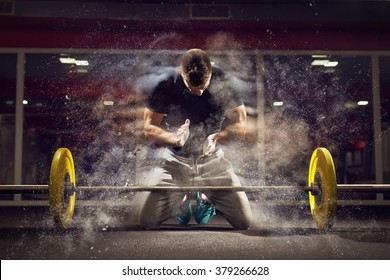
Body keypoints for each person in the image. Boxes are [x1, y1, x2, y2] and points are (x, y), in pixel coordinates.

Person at [139, 48, 253, 230]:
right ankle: (182, 197)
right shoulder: (166, 85)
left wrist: (217, 137)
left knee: (244, 222)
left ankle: (204, 198)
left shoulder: (224, 81)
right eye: (192, 88)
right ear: (181, 73)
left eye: (203, 86)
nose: (199, 92)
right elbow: (148, 128)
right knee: (147, 221)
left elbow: (241, 125)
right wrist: (174, 138)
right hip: (175, 161)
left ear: (211, 72)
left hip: (212, 162)